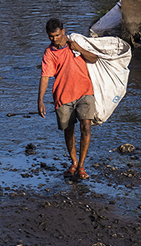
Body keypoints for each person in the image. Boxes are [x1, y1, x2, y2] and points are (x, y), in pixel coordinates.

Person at [38, 17, 98, 180]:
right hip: (63, 96)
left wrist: (78, 48)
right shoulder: (49, 53)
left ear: (63, 31)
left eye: (57, 35)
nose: (54, 39)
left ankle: (82, 166)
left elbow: (94, 58)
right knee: (68, 129)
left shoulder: (76, 43)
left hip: (85, 92)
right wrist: (40, 100)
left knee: (86, 126)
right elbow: (45, 77)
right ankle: (73, 162)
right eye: (51, 36)